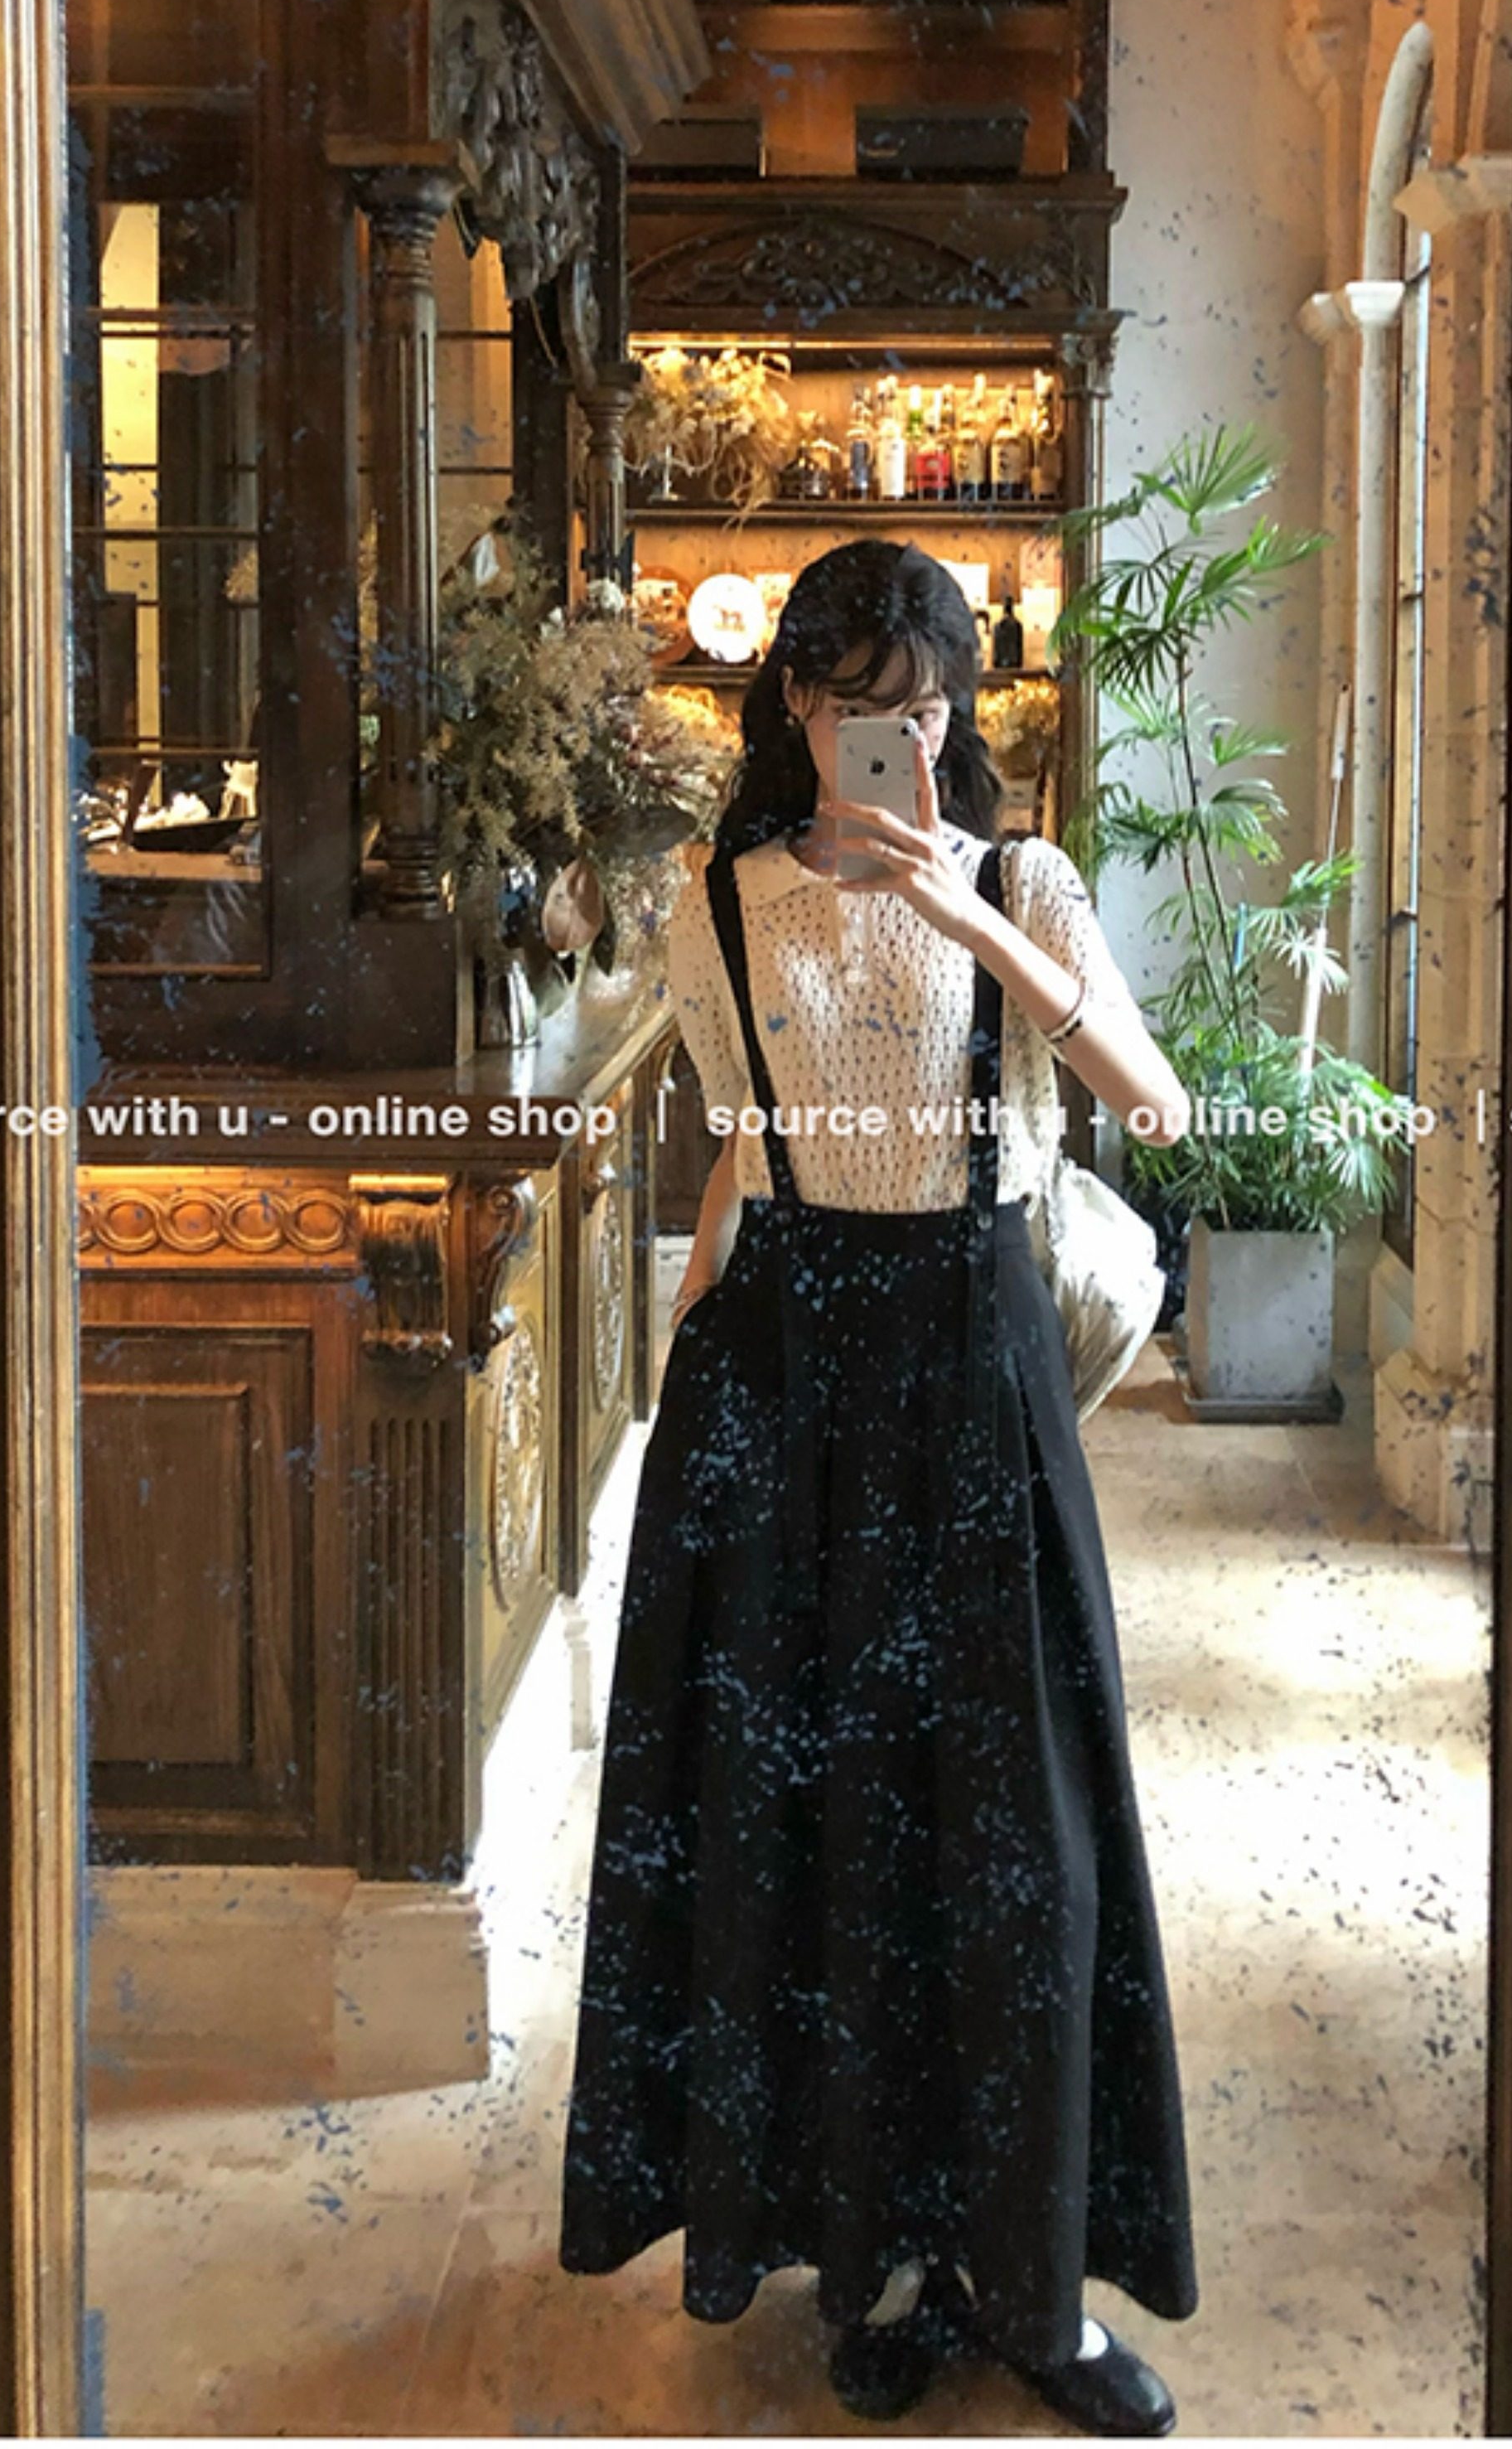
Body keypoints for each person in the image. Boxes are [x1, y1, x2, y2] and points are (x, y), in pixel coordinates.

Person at [558, 540, 1200, 2436]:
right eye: (852, 707)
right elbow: (746, 1153)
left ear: (956, 712)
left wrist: (966, 917)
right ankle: (875, 2257)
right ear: (794, 708)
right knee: (834, 1839)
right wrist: (682, 1372)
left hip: (977, 1374)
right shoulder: (721, 901)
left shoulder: (1025, 881)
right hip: (786, 1386)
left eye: (919, 709)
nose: (888, 740)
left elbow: (1152, 1104)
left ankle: (1036, 2285)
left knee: (1023, 1836)